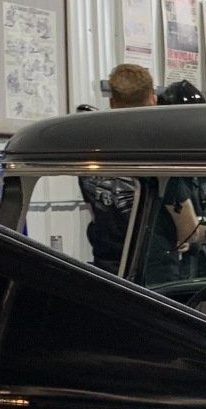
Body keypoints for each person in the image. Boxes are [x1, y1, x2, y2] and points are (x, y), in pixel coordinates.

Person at [78, 64, 157, 271]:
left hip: (107, 264)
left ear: (112, 102)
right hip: (154, 267)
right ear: (153, 99)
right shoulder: (158, 148)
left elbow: (93, 209)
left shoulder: (91, 150)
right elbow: (182, 219)